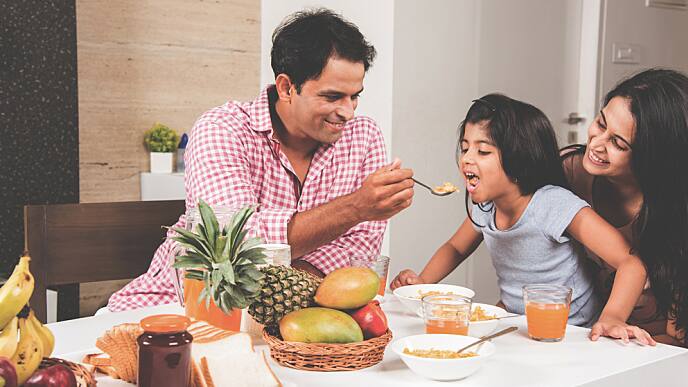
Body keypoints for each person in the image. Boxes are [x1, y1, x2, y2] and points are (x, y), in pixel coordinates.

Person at [107, 8, 414, 311]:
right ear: (286, 87)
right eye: (332, 97)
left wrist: (288, 287)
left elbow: (359, 250)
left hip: (303, 313)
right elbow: (234, 246)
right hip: (181, 306)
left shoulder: (365, 135)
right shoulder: (222, 129)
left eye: (355, 95)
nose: (348, 112)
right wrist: (357, 206)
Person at [391, 94, 654, 344]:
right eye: (465, 148)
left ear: (519, 163)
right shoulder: (486, 208)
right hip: (519, 328)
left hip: (572, 334)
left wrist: (612, 318)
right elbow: (455, 248)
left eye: (483, 152)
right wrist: (422, 284)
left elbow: (631, 262)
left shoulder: (553, 204)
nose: (467, 159)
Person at [561, 68, 688, 346]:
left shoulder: (678, 218)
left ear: (652, 159)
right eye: (600, 123)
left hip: (647, 348)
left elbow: (677, 340)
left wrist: (617, 341)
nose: (596, 143)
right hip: (584, 338)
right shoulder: (568, 172)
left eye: (618, 143)